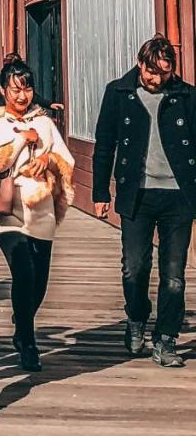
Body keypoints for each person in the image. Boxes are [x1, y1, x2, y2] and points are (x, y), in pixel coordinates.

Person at [93, 34, 196, 368]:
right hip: (136, 193)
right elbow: (104, 145)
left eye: (164, 74)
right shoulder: (119, 93)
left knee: (174, 274)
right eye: (152, 72)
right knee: (134, 267)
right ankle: (136, 317)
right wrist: (99, 193)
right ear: (141, 64)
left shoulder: (186, 96)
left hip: (178, 195)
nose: (157, 79)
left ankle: (166, 339)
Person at [0, 58, 74, 372]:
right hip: (7, 207)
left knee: (40, 281)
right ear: (3, 90)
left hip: (40, 206)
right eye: (16, 89)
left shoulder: (44, 122)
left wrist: (46, 159)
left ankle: (21, 325)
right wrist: (22, 139)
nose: (23, 96)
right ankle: (29, 344)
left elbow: (66, 159)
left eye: (28, 88)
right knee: (23, 271)